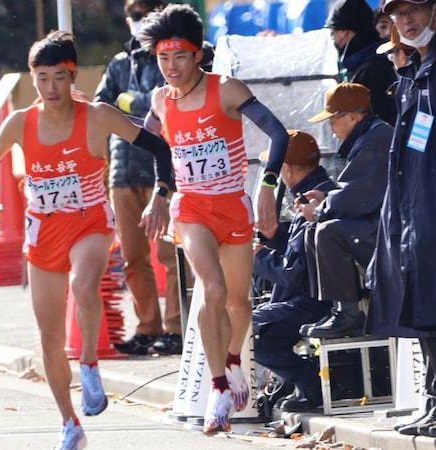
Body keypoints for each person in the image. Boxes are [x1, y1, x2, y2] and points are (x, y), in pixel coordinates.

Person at [0, 31, 173, 450]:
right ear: (33, 79)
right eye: (42, 78)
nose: (51, 88)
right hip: (43, 232)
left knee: (84, 286)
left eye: (59, 77)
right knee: (47, 336)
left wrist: (161, 194)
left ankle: (89, 364)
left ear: (73, 76)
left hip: (89, 226)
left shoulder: (97, 116)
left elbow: (159, 149)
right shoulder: (19, 122)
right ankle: (69, 423)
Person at [138, 3, 289, 433]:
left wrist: (267, 188)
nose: (171, 67)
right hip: (192, 209)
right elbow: (150, 143)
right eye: (163, 58)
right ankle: (218, 387)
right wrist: (159, 194)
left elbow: (278, 134)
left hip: (233, 207)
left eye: (179, 56)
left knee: (240, 302)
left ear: (197, 55)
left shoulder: (227, 89)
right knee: (213, 288)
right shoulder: (160, 100)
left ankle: (235, 361)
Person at [366, 0, 436, 438]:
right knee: (429, 315)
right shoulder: (413, 69)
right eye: (398, 13)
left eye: (414, 9)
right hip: (415, 213)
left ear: (435, 10)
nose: (406, 19)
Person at [94, 0, 184, 356]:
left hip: (161, 171)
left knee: (171, 255)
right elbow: (101, 107)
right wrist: (135, 106)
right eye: (133, 15)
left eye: (145, 14)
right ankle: (148, 327)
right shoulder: (118, 63)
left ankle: (177, 328)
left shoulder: (168, 61)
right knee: (133, 257)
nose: (137, 21)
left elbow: (164, 104)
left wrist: (128, 103)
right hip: (122, 171)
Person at [297, 82, 392, 339]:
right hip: (377, 222)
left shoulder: (376, 139)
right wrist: (325, 198)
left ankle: (349, 315)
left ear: (352, 116)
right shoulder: (369, 135)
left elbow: (357, 198)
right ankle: (337, 308)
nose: (331, 129)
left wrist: (319, 210)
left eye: (333, 121)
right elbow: (355, 192)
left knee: (327, 230)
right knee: (314, 230)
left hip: (387, 231)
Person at [252, 130, 338, 413]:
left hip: (313, 303)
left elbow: (293, 273)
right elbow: (301, 251)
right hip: (317, 297)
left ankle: (310, 382)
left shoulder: (310, 202)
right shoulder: (321, 191)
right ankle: (296, 382)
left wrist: (260, 256)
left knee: (243, 326)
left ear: (286, 169)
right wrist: (275, 236)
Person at [325, 0, 398, 123]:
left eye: (333, 33)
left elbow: (374, 123)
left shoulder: (371, 69)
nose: (333, 39)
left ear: (344, 32)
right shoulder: (367, 62)